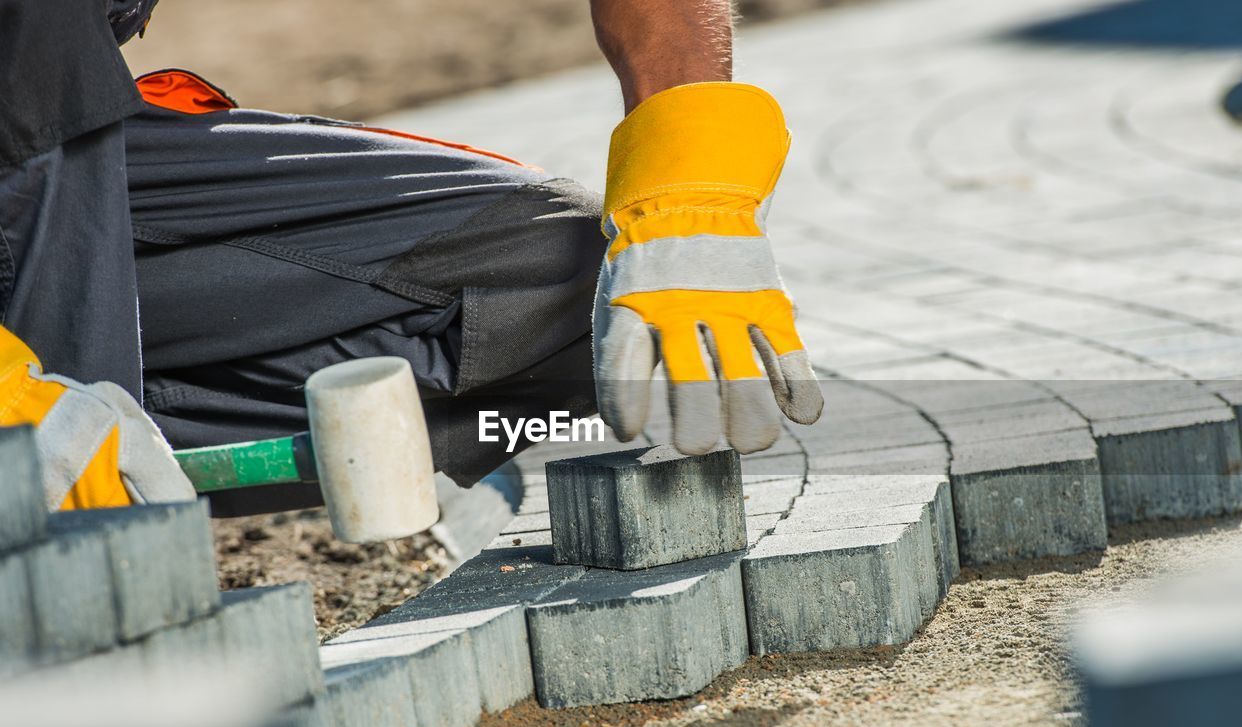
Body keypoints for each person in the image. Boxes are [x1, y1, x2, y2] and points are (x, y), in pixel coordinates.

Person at [0, 0, 822, 515]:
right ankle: (61, 513)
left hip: (58, 129)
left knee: (574, 280)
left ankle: (127, 454)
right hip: (29, 114)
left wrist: (686, 189)